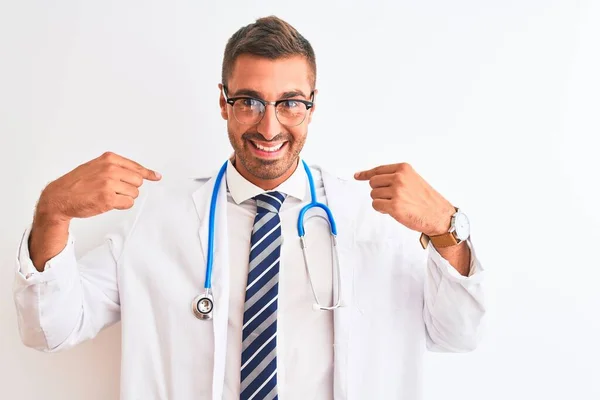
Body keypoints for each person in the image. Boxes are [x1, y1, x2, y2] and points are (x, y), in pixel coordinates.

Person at [12, 15, 485, 400]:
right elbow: (50, 328)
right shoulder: (158, 222)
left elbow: (457, 333)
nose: (270, 126)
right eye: (249, 102)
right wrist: (53, 211)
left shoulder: (372, 217)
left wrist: (447, 228)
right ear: (222, 102)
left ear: (313, 105)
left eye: (290, 103)